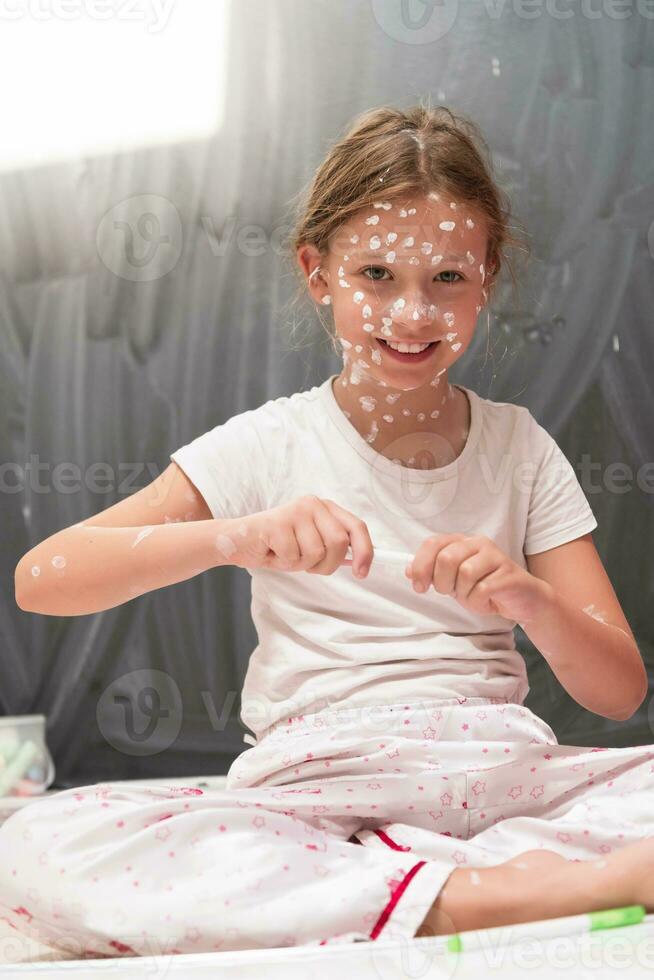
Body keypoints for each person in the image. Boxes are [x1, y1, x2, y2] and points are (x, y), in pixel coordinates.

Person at [6, 102, 654, 961]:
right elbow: (42, 578)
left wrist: (529, 600)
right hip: (317, 791)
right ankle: (488, 891)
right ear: (318, 273)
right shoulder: (266, 443)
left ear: (487, 274)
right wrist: (233, 537)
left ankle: (415, 886)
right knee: (31, 847)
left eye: (448, 279)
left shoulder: (520, 447)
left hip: (500, 776)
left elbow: (619, 691)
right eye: (376, 275)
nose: (413, 313)